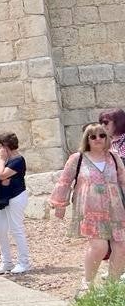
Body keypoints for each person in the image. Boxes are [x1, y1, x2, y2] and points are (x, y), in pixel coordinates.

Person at [50, 123, 125, 293]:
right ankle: (87, 284)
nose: (98, 139)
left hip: (116, 209)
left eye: (101, 135)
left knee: (122, 247)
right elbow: (65, 181)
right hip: (90, 209)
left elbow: (123, 181)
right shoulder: (78, 158)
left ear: (107, 138)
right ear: (87, 139)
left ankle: (112, 287)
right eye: (93, 136)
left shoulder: (113, 157)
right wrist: (60, 204)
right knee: (100, 247)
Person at [0, 132, 30, 275]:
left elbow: (1, 175)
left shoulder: (18, 160)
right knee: (0, 229)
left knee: (16, 229)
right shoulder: (8, 160)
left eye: (0, 146)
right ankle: (6, 261)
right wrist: (2, 170)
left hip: (16, 196)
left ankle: (24, 262)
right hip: (3, 199)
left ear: (6, 146)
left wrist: (1, 162)